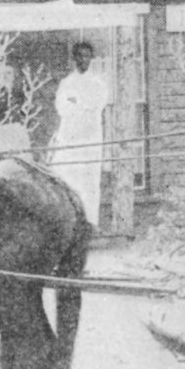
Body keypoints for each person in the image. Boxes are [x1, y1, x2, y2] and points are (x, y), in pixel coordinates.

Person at [51, 40, 111, 229]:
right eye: (80, 56)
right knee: (70, 177)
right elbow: (62, 107)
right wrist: (79, 104)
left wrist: (77, 102)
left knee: (90, 181)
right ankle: (71, 223)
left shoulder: (98, 82)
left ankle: (90, 223)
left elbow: (96, 106)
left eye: (87, 56)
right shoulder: (67, 83)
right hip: (70, 137)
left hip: (91, 137)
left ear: (91, 58)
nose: (83, 60)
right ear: (74, 58)